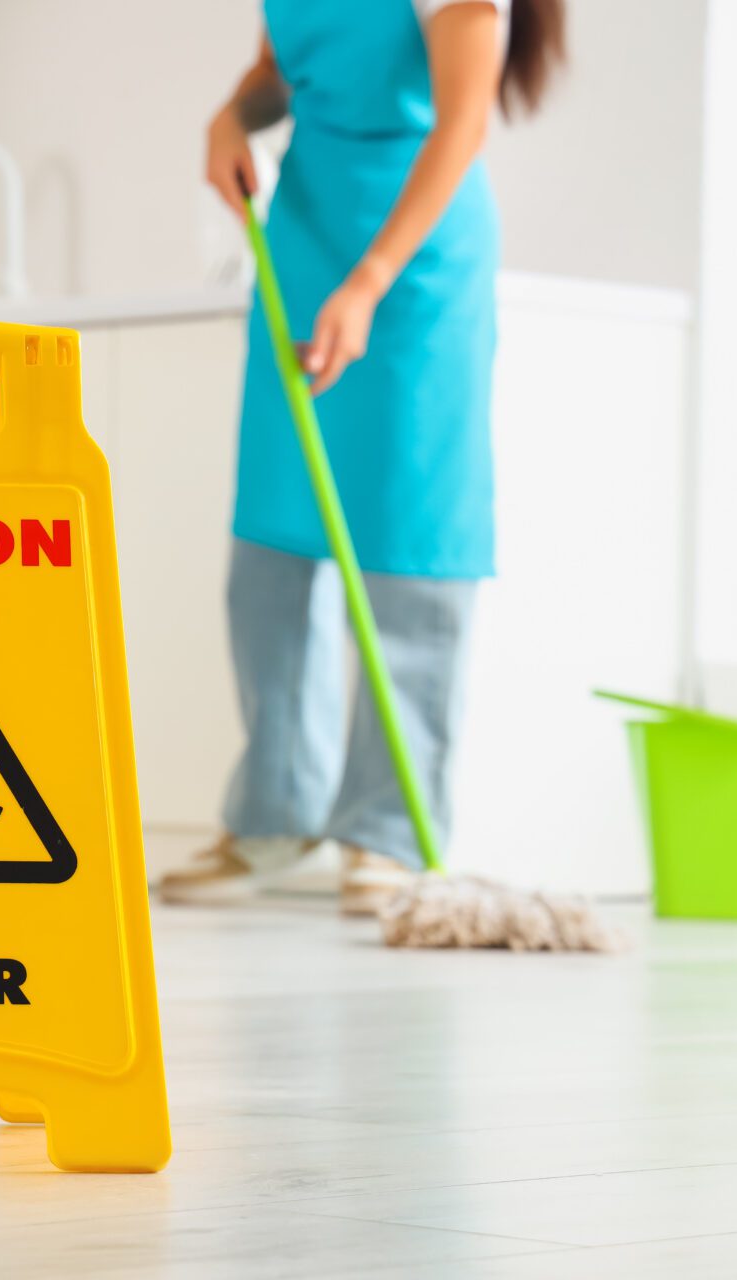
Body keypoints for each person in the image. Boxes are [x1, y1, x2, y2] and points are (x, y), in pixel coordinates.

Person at [161, 0, 565, 914]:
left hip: (414, 263)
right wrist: (233, 115)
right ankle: (271, 818)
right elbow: (279, 70)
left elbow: (462, 125)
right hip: (305, 241)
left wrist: (374, 280)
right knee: (273, 533)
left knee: (410, 539)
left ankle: (385, 830)